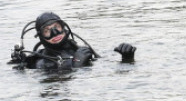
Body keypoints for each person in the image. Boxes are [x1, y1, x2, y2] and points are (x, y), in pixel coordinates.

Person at [8, 11, 136, 70]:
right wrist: (77, 66)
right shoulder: (42, 62)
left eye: (57, 28)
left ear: (64, 28)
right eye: (47, 31)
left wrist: (127, 59)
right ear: (41, 37)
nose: (55, 33)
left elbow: (106, 67)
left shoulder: (80, 49)